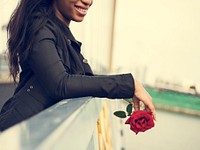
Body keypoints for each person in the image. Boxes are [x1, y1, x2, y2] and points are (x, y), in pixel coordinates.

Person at [0, 0, 156, 131]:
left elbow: (80, 80)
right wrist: (129, 84)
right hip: (17, 134)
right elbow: (60, 84)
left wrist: (128, 87)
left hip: (35, 132)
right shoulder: (40, 28)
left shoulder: (60, 33)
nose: (88, 1)